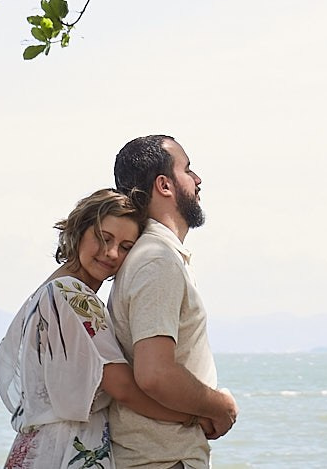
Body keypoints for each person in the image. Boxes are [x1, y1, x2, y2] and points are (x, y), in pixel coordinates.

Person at [0, 189, 207, 469]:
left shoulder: (45, 292)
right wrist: (193, 416)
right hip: (67, 450)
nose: (111, 253)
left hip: (38, 447)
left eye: (126, 247)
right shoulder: (74, 295)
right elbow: (122, 387)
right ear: (80, 231)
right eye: (103, 238)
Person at [107, 135, 238, 469]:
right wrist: (219, 407)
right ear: (164, 185)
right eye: (188, 170)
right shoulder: (157, 260)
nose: (198, 180)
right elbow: (155, 374)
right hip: (164, 459)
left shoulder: (157, 257)